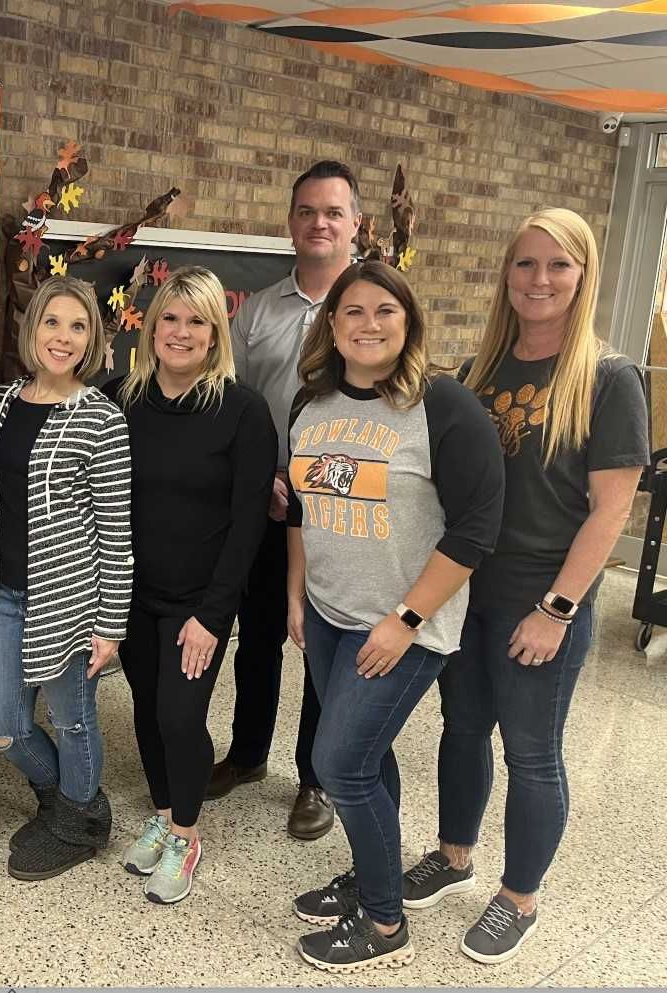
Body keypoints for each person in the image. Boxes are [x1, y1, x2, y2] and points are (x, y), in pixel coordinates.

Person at [400, 208, 649, 963]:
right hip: (469, 589)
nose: (540, 280)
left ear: (583, 276)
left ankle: (519, 897)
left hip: (542, 596)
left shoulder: (610, 378)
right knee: (462, 728)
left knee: (533, 753)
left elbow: (610, 510)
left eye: (559, 266)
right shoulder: (479, 372)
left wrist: (558, 610)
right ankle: (453, 854)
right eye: (526, 264)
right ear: (506, 275)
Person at [286, 261, 504, 973]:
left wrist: (404, 619)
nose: (369, 323)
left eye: (386, 310)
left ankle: (383, 922)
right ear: (332, 323)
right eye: (353, 310)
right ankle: (369, 871)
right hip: (328, 614)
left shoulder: (441, 405)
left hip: (405, 624)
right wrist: (297, 592)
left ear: (408, 322)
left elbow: (475, 528)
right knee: (368, 756)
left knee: (339, 763)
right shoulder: (310, 402)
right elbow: (300, 508)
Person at [104, 267, 275, 904]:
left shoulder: (242, 411)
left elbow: (247, 525)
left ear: (215, 333)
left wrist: (212, 614)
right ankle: (163, 810)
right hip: (129, 594)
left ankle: (185, 832)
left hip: (198, 603)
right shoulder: (119, 398)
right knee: (147, 711)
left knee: (181, 714)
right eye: (169, 319)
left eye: (196, 321)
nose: (180, 332)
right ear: (151, 329)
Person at [212, 160, 363, 841]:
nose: (319, 222)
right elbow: (237, 408)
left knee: (327, 646)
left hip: (339, 514)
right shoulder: (260, 312)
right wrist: (261, 478)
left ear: (356, 223)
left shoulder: (371, 308)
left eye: (333, 211)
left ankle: (315, 776)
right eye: (307, 210)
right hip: (268, 505)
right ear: (291, 222)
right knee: (261, 636)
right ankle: (246, 754)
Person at [0, 275, 133, 881]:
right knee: (2, 727)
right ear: (33, 328)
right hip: (6, 594)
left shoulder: (102, 419)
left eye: (78, 327)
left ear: (92, 338)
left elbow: (117, 533)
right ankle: (70, 800)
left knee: (72, 719)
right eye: (53, 322)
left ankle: (77, 824)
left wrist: (110, 627)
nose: (63, 338)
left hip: (71, 599)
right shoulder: (0, 403)